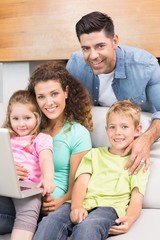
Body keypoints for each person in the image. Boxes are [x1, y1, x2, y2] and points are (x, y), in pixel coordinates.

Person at [33, 99, 150, 240]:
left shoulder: (137, 162)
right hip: (82, 202)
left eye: (124, 127)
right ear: (106, 130)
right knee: (50, 222)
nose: (117, 132)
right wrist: (76, 206)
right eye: (112, 127)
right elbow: (80, 184)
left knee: (87, 228)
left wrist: (130, 218)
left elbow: (137, 199)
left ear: (137, 130)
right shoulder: (93, 154)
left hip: (109, 208)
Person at [0, 62, 93, 236]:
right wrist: (8, 172)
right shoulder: (27, 126)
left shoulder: (77, 133)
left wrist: (60, 202)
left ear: (65, 92)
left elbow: (80, 183)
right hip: (21, 200)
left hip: (58, 204)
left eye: (54, 94)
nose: (48, 102)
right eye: (41, 96)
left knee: (46, 228)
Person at [66, 11, 160, 174]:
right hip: (96, 141)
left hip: (133, 135)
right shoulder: (75, 64)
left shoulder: (146, 65)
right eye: (86, 48)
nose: (93, 55)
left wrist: (146, 139)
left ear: (114, 41)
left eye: (100, 46)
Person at [1, 90, 55, 240]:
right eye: (16, 118)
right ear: (9, 118)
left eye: (27, 118)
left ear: (37, 118)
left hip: (29, 188)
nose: (21, 124)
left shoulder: (41, 139)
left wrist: (48, 179)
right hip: (5, 186)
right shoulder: (6, 137)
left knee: (27, 214)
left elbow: (46, 160)